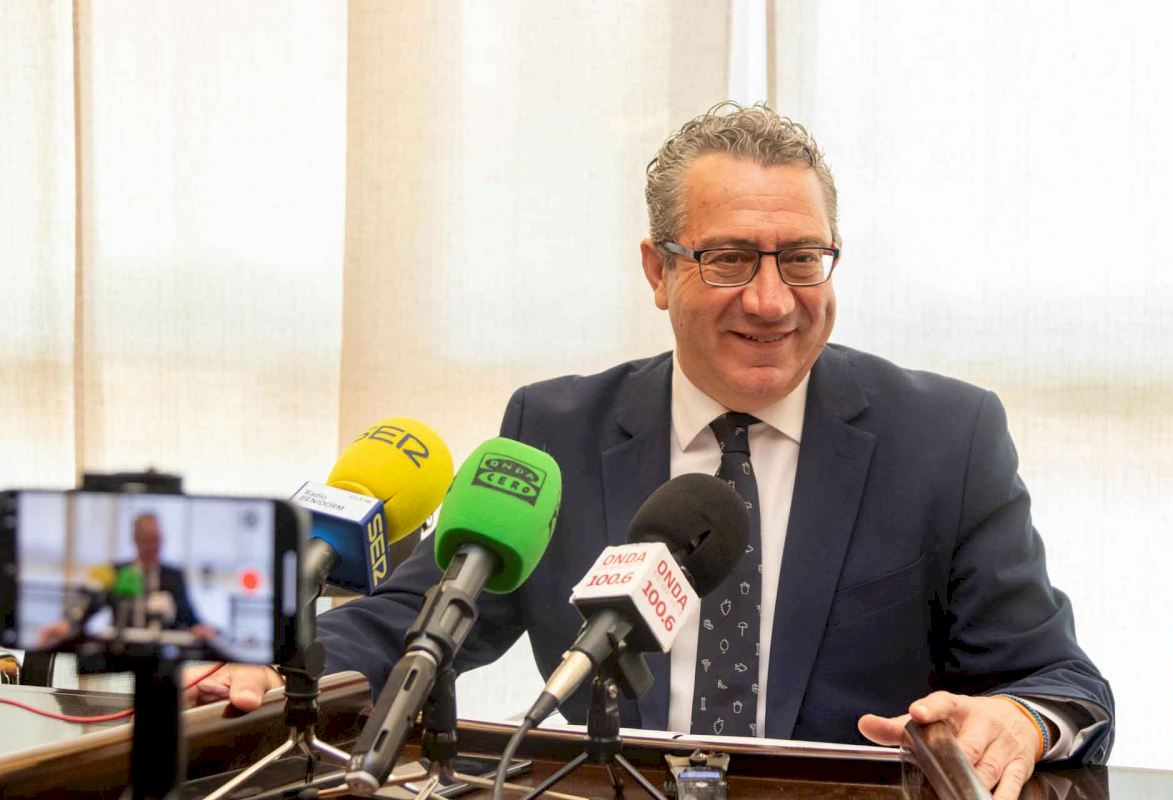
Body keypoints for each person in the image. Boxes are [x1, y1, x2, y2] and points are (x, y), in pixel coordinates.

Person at [191, 103, 1113, 797]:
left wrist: (1018, 719)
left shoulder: (945, 439)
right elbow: (420, 619)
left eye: (801, 258)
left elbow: (1062, 681)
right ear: (659, 269)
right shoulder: (554, 432)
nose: (771, 300)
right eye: (729, 259)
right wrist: (265, 663)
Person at [37, 512, 214, 646]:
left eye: (157, 540)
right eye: (148, 540)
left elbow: (188, 615)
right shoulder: (116, 572)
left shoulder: (173, 575)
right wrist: (68, 624)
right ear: (135, 540)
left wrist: (200, 628)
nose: (154, 546)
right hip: (121, 648)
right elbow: (89, 606)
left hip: (161, 650)